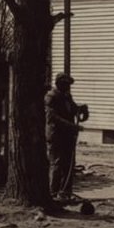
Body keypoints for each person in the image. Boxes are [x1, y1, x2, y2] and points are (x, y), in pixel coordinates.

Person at [44, 72, 88, 202]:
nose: (68, 87)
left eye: (69, 85)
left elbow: (73, 109)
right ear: (59, 84)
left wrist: (82, 109)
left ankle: (66, 192)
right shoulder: (51, 97)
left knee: (69, 164)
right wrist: (72, 126)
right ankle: (53, 192)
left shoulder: (67, 96)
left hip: (68, 136)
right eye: (66, 85)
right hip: (56, 135)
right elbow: (52, 117)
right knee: (57, 163)